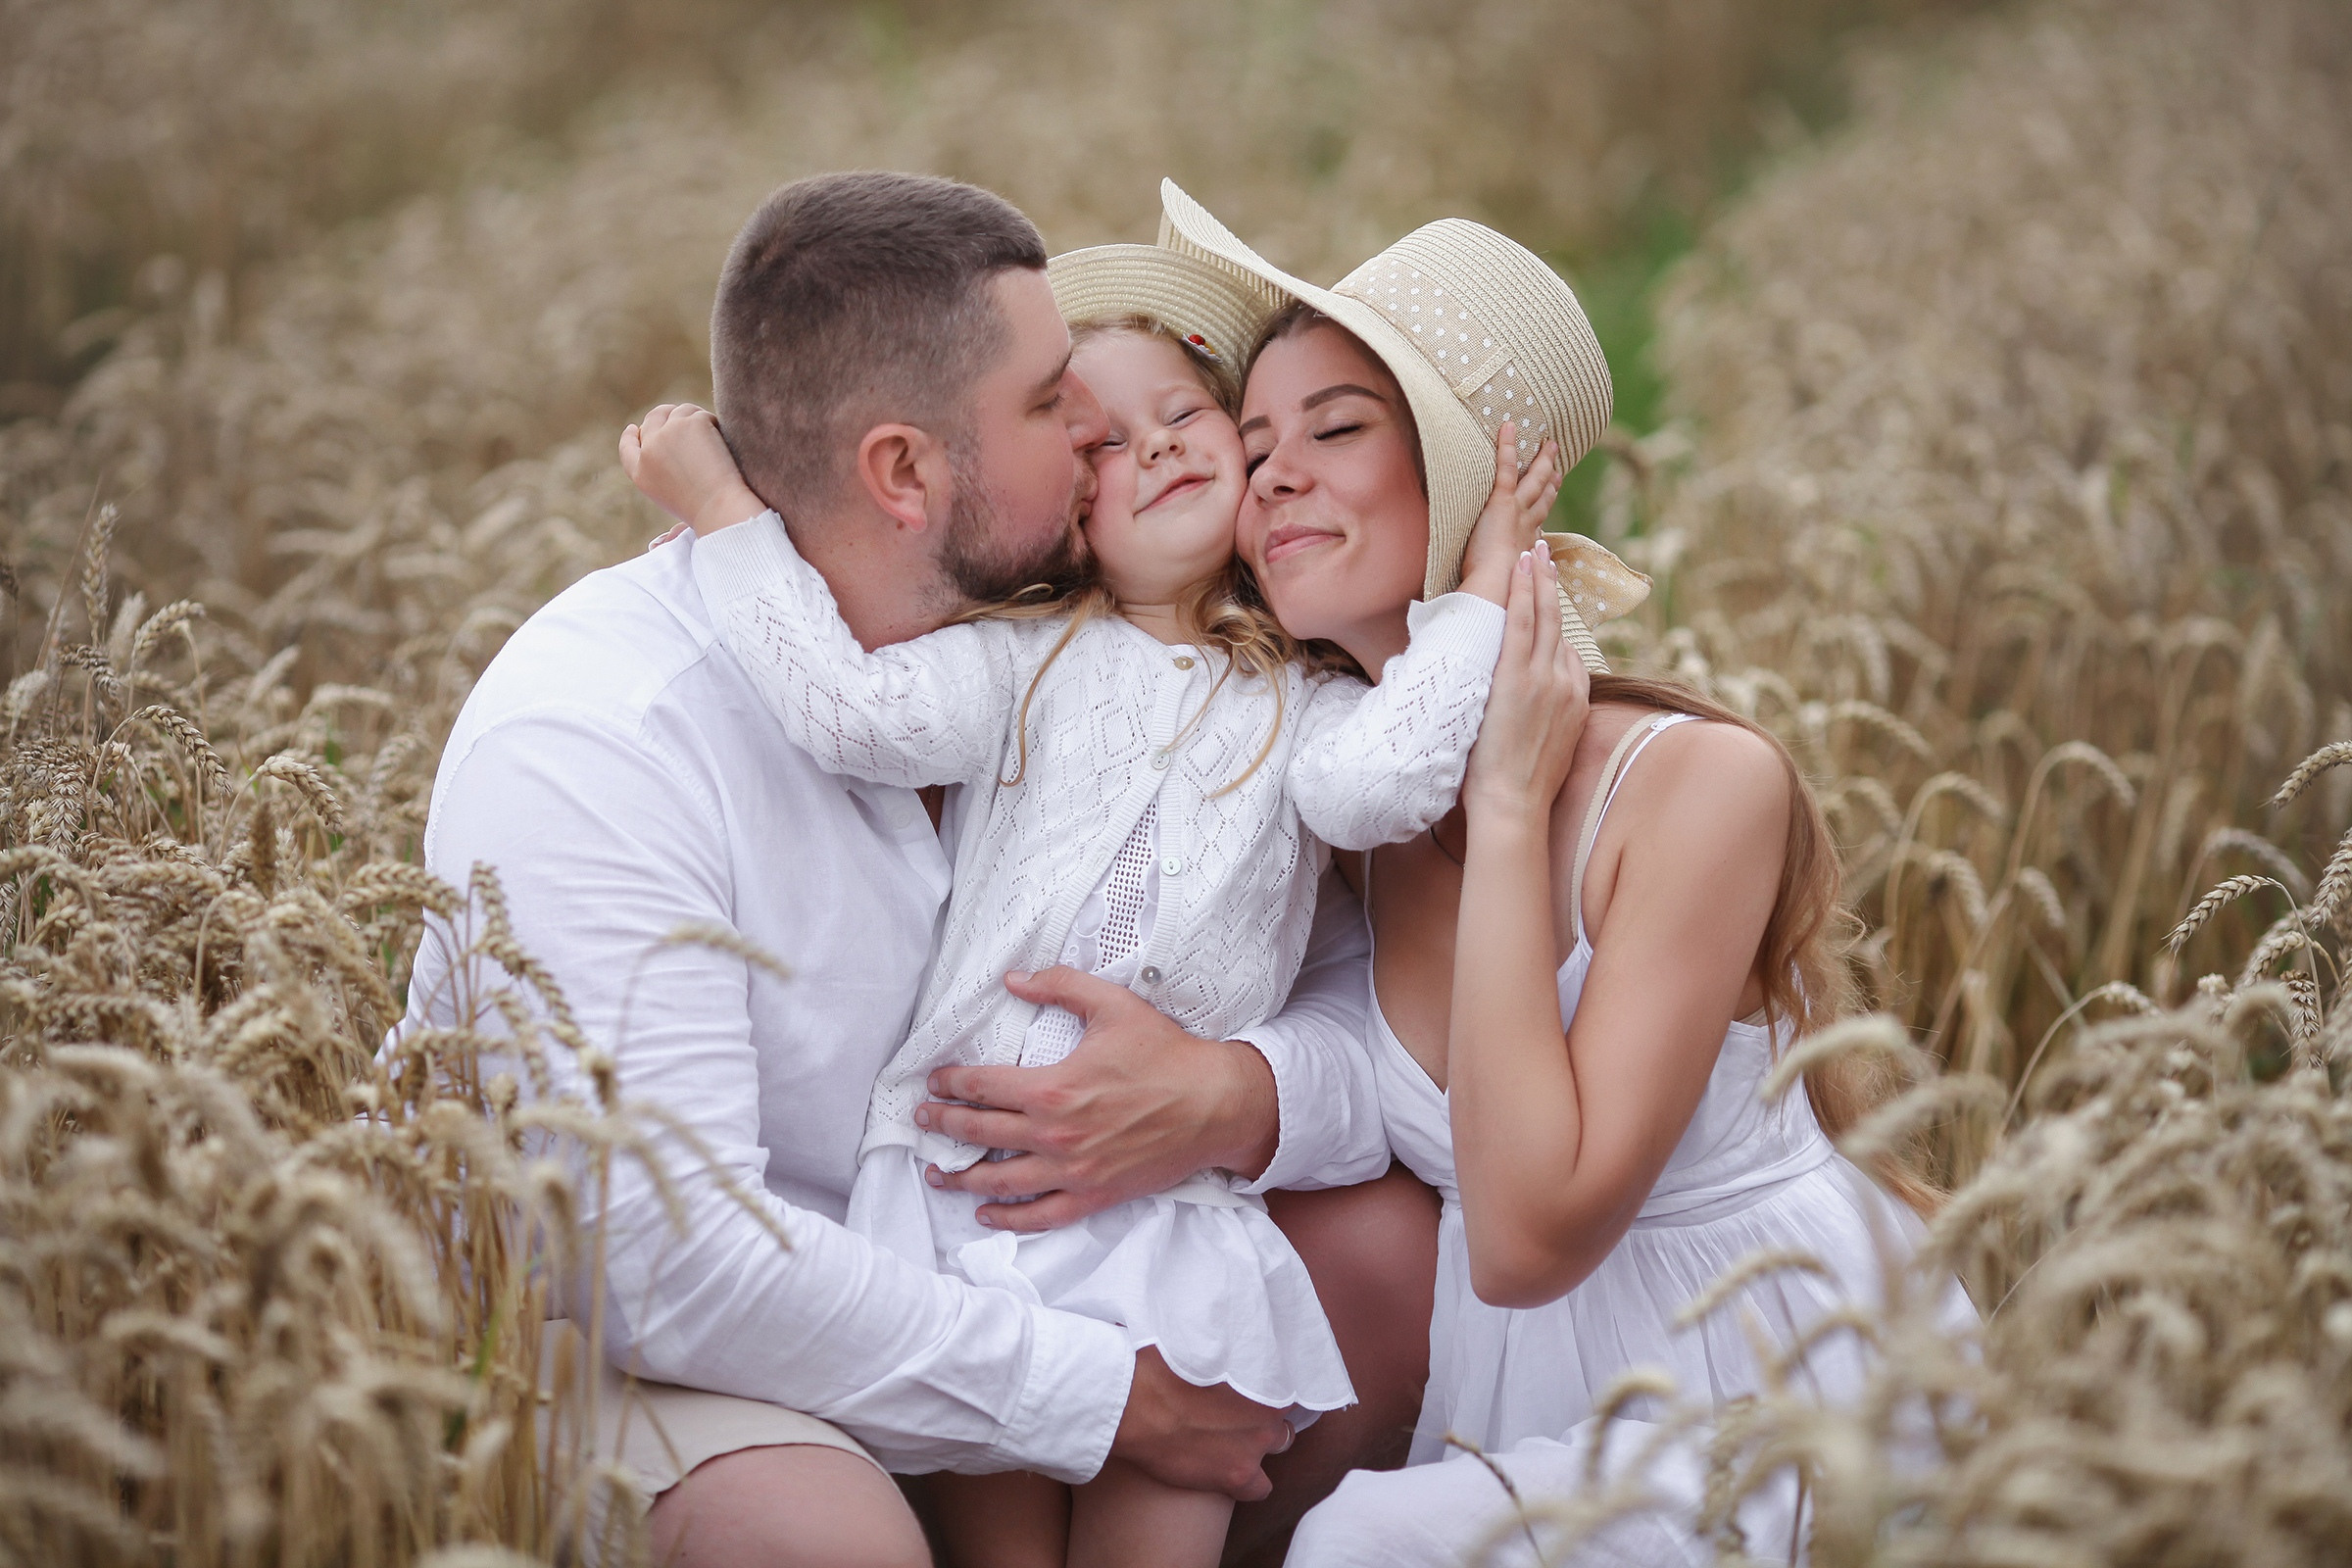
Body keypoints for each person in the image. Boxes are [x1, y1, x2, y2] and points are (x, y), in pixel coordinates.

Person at [393, 172, 1414, 1568]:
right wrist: (1102, 1399)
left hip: (1049, 1248)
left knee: (1386, 1248)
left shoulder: (1124, 655)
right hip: (690, 1347)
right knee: (828, 1542)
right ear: (906, 473)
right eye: (1058, 404)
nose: (1107, 436)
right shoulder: (601, 739)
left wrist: (1227, 1093)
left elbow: (1372, 1020)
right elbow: (670, 1267)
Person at [621, 246, 1564, 1560]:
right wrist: (726, 511)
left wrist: (1472, 600)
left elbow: (1379, 790)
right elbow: (845, 709)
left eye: (1187, 418)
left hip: (1176, 1230)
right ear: (1069, 506)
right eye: (1109, 443)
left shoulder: (1309, 712)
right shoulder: (1020, 664)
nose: (1163, 449)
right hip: (968, 1198)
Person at [1128, 183, 1972, 1563]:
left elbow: (1528, 1236)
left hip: (1748, 1380)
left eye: (1336, 430)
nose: (1271, 473)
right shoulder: (1334, 804)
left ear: (1464, 493)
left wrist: (1511, 804)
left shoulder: (1699, 788)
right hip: (1508, 1383)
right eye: (1256, 442)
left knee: (1361, 1546)